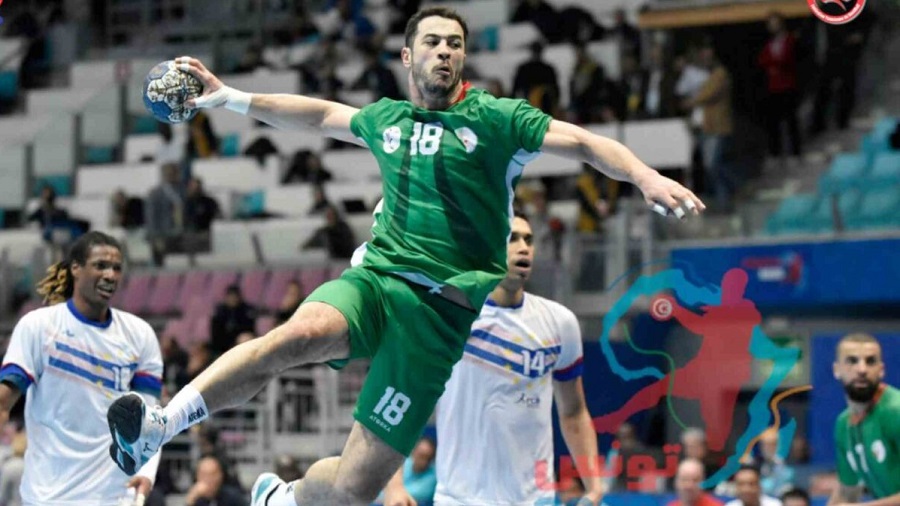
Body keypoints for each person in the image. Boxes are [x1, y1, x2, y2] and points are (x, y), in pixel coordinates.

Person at [106, 7, 705, 506]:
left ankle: (282, 498)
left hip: (439, 321)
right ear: (407, 56)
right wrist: (231, 98)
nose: (445, 52)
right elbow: (317, 113)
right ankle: (162, 423)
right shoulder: (387, 120)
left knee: (352, 489)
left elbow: (584, 142)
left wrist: (644, 175)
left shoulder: (497, 121)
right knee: (298, 335)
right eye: (433, 42)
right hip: (377, 280)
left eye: (455, 44)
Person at [383, 213, 603, 505]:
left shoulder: (560, 323)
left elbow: (574, 412)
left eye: (529, 240)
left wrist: (594, 487)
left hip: (536, 500)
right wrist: (394, 486)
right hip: (459, 500)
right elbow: (402, 398)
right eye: (512, 239)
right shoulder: (447, 317)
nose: (523, 248)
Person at [0, 231, 163, 506]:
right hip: (47, 496)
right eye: (101, 265)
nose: (110, 275)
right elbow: (3, 402)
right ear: (75, 268)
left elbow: (150, 417)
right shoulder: (38, 327)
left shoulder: (140, 335)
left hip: (113, 496)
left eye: (116, 268)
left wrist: (147, 471)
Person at [828, 333, 900, 505]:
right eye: (852, 361)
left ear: (881, 370)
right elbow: (847, 493)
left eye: (870, 361)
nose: (862, 369)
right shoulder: (843, 424)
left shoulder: (895, 411)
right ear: (837, 370)